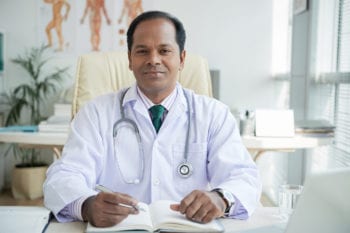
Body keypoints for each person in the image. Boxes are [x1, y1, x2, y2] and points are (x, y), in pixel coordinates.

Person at [44, 11, 262, 227]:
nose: (153, 60)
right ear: (130, 59)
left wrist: (221, 198)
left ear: (182, 59)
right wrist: (86, 205)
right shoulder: (95, 113)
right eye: (142, 51)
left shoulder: (214, 115)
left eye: (164, 50)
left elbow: (244, 177)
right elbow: (63, 176)